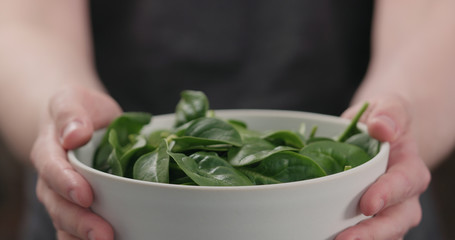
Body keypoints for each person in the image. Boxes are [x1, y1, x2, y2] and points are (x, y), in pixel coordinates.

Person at [1, 0, 454, 239]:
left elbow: (435, 14)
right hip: (112, 214)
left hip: (353, 215)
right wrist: (64, 121)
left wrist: (399, 112)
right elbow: (27, 21)